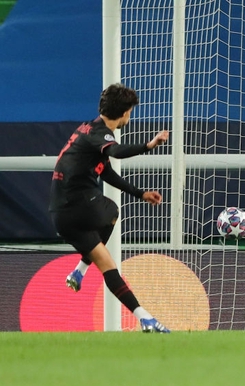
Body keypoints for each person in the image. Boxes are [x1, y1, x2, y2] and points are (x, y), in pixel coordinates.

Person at [49, 83, 170, 333]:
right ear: (125, 113)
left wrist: (140, 193)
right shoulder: (102, 134)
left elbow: (107, 172)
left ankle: (144, 318)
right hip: (79, 206)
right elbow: (115, 152)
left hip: (61, 215)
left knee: (108, 266)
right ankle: (82, 268)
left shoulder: (87, 128)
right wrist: (148, 146)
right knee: (112, 211)